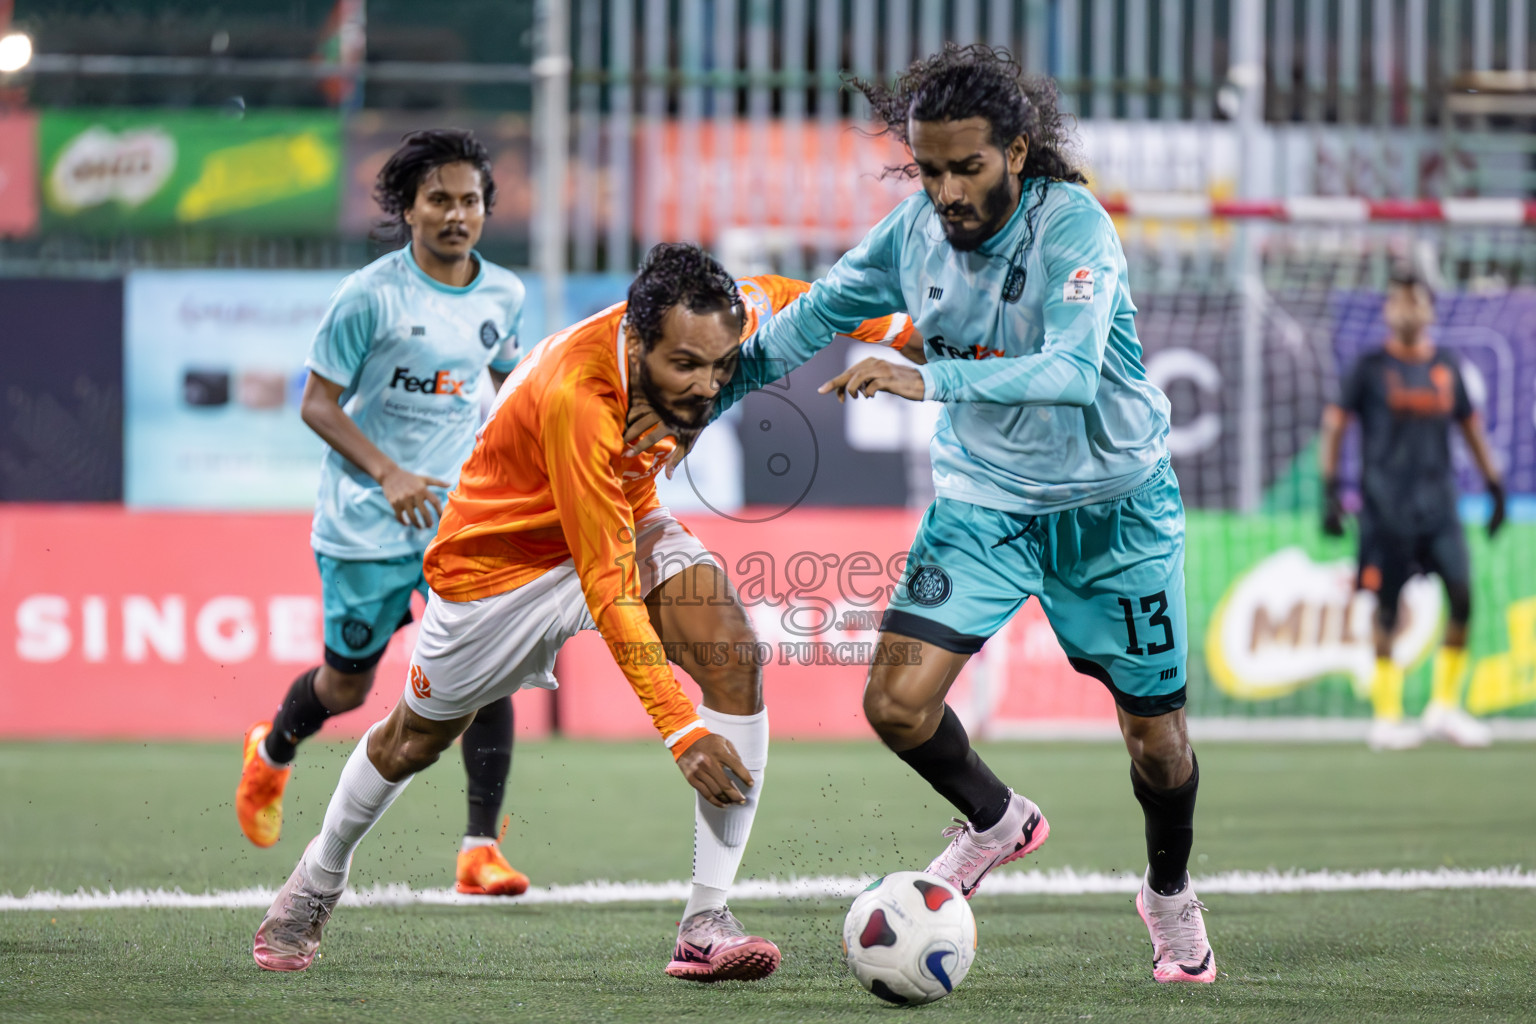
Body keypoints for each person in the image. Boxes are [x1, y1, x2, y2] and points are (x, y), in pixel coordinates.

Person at [644, 44, 1214, 984]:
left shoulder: (1074, 230)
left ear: (1018, 155)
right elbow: (810, 318)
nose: (945, 190)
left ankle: (1168, 891)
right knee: (896, 705)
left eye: (966, 167)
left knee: (1156, 743)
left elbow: (1073, 374)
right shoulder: (910, 234)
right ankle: (999, 822)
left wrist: (926, 376)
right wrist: (702, 407)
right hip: (985, 506)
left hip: (1116, 510)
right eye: (929, 168)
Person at [249, 245, 915, 978]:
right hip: (499, 567)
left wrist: (923, 342)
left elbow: (826, 303)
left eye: (721, 366)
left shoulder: (727, 313)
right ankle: (318, 878)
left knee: (734, 659)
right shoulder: (579, 396)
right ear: (635, 341)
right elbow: (607, 582)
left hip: (626, 514)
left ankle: (705, 920)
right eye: (684, 367)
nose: (707, 385)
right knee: (413, 740)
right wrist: (680, 729)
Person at [235, 129, 530, 898]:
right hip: (364, 521)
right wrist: (389, 472)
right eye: (439, 199)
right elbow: (316, 403)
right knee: (347, 688)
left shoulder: (504, 294)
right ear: (407, 208)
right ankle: (272, 749)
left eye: (469, 200)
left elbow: (507, 387)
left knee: (487, 672)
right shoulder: (368, 295)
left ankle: (478, 850)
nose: (456, 213)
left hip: (458, 519)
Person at [1320, 267, 1506, 751]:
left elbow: (1470, 427)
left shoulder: (1446, 366)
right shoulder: (1369, 367)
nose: (1407, 308)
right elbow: (1335, 425)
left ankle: (1444, 707)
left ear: (1430, 308)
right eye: (1398, 300)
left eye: (1415, 300)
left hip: (1440, 506)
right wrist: (1330, 489)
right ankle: (1387, 715)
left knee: (1462, 595)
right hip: (1384, 509)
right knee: (1385, 608)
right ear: (1387, 309)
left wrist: (1495, 487)